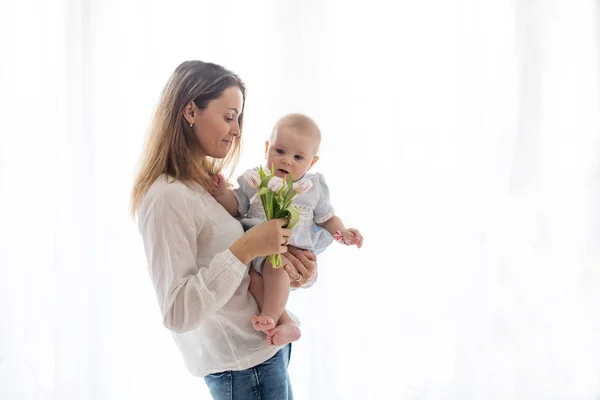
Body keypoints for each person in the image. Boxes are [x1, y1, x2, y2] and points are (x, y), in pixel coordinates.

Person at [131, 60, 316, 400]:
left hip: (265, 355)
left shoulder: (207, 187)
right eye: (229, 116)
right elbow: (178, 312)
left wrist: (296, 270)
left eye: (239, 120)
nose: (236, 130)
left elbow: (238, 284)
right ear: (190, 110)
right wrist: (246, 247)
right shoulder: (166, 197)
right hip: (244, 371)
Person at [211, 113, 364, 346]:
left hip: (286, 248)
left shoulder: (313, 187)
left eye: (298, 157)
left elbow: (327, 217)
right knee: (251, 280)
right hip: (256, 248)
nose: (287, 161)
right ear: (266, 148)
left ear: (312, 163)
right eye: (280, 151)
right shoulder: (256, 179)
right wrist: (222, 193)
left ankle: (272, 317)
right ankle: (285, 323)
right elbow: (236, 206)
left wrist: (343, 232)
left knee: (277, 268)